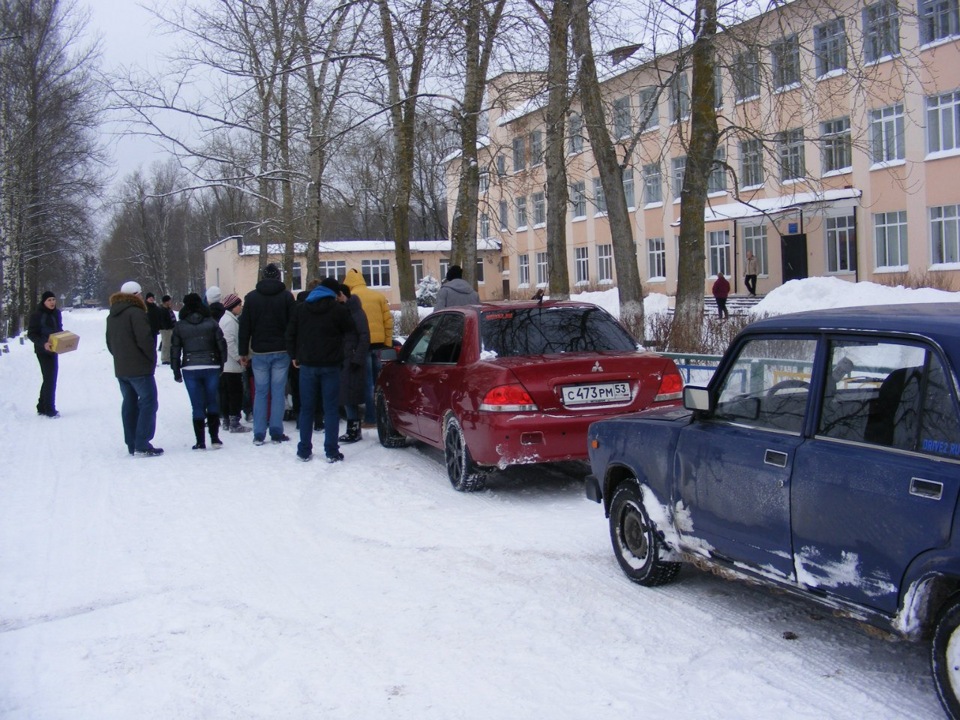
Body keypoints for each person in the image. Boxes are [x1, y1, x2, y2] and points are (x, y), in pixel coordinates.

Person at [286, 277, 355, 463]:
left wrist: (294, 355)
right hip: (331, 366)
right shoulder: (338, 310)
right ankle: (331, 451)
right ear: (335, 293)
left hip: (307, 365)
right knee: (330, 409)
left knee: (307, 409)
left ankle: (304, 450)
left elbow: (290, 333)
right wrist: (345, 304)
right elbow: (351, 329)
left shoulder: (301, 309)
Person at [238, 263, 295, 445]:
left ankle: (259, 433)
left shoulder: (252, 298)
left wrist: (242, 352)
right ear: (278, 277)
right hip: (281, 350)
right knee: (278, 392)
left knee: (261, 392)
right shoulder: (286, 297)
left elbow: (244, 327)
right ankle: (277, 432)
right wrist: (293, 350)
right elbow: (293, 325)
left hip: (260, 352)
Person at [105, 281, 163, 457]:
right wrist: (151, 359)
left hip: (121, 368)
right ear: (136, 295)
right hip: (139, 368)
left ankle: (131, 441)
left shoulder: (112, 315)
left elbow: (109, 342)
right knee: (148, 402)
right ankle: (142, 442)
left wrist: (119, 357)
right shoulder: (136, 313)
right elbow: (145, 339)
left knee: (129, 403)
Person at [171, 293, 228, 450]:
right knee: (212, 401)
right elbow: (221, 344)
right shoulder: (211, 323)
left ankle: (200, 441)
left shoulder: (180, 326)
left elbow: (175, 350)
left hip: (190, 367)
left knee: (197, 405)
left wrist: (176, 370)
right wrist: (222, 363)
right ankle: (215, 438)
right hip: (211, 365)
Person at [343, 268, 394, 428]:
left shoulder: (352, 299)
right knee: (378, 382)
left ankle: (370, 418)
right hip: (379, 345)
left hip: (362, 346)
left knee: (367, 383)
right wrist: (388, 343)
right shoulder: (378, 296)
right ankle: (380, 414)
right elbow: (388, 321)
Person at [337, 283, 370, 444]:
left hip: (352, 358)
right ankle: (353, 428)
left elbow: (364, 336)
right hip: (347, 357)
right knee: (347, 394)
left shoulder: (355, 311)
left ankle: (354, 429)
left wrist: (357, 357)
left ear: (341, 294)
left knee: (350, 395)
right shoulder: (347, 310)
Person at [26, 290, 63, 418]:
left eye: (53, 299)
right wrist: (44, 343)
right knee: (50, 378)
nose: (52, 302)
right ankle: (50, 409)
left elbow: (59, 329)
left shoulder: (57, 313)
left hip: (54, 349)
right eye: (49, 300)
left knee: (49, 378)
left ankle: (41, 406)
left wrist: (65, 338)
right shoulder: (37, 315)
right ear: (44, 302)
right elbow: (32, 334)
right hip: (43, 350)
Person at [218, 293, 251, 433]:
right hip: (231, 365)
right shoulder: (229, 321)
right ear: (232, 306)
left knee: (227, 393)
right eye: (238, 305)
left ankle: (227, 419)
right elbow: (229, 343)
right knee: (234, 393)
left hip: (227, 365)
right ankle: (233, 421)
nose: (240, 307)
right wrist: (239, 358)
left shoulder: (228, 319)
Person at [158, 295, 177, 365]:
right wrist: (166, 327)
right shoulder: (162, 310)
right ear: (166, 302)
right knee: (166, 344)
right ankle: (165, 359)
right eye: (169, 301)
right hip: (166, 330)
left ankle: (168, 357)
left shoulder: (168, 309)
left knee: (169, 343)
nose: (170, 302)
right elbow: (163, 321)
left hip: (170, 328)